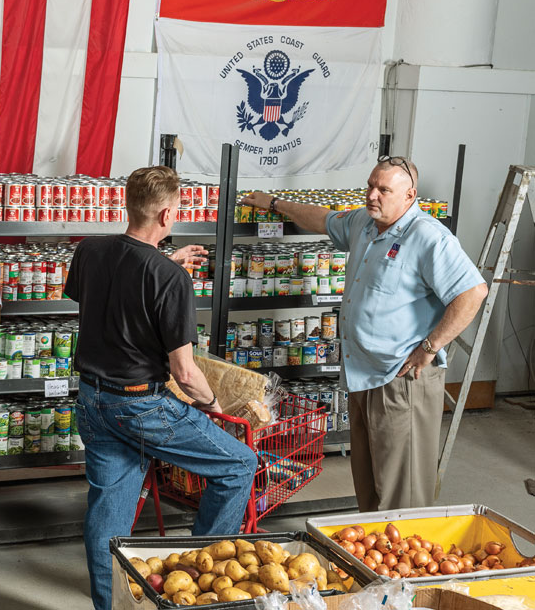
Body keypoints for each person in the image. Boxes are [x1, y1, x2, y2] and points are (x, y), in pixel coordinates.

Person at [241, 155, 487, 512]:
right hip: (361, 375)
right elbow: (322, 219)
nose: (372, 195)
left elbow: (473, 292)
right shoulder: (365, 224)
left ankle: (403, 560)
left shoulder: (428, 237)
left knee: (402, 489)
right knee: (370, 482)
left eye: (383, 189)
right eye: (370, 185)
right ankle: (371, 557)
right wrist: (274, 203)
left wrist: (430, 347)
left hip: (402, 378)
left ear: (409, 195)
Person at [66, 165, 257, 610]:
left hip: (92, 400)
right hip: (140, 407)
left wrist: (159, 268)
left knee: (109, 514)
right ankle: (201, 583)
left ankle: (109, 605)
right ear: (168, 216)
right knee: (238, 465)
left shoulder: (89, 252)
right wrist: (211, 406)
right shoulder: (172, 280)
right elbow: (185, 372)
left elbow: (111, 293)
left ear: (128, 205)